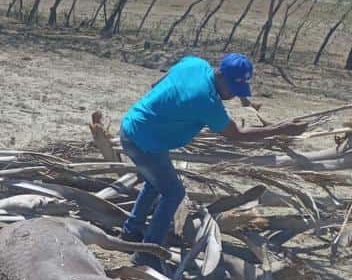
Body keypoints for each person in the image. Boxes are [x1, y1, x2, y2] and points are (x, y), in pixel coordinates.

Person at [119, 53, 307, 265]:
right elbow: (237, 135)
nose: (233, 96)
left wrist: (168, 115)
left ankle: (131, 232)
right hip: (144, 143)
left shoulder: (195, 63)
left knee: (156, 183)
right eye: (232, 90)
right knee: (174, 193)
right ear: (221, 76)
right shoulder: (207, 102)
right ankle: (146, 254)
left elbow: (156, 84)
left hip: (133, 126)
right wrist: (281, 130)